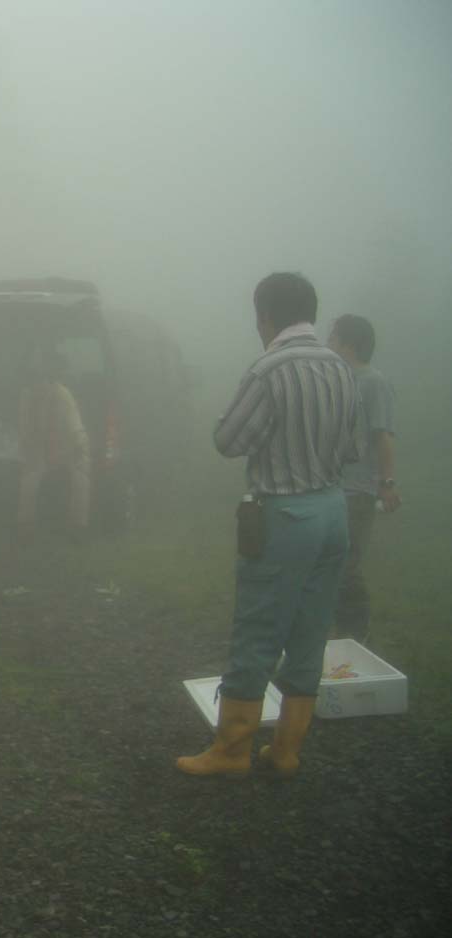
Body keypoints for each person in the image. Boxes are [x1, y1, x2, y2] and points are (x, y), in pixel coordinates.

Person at [177, 272, 357, 779]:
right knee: (310, 631)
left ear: (265, 315)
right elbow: (351, 448)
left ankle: (231, 751)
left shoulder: (268, 370)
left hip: (286, 514)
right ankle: (286, 750)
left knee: (258, 631)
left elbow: (229, 440)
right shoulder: (341, 368)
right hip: (333, 512)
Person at [328, 314, 400, 644]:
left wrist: (386, 484)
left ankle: (355, 632)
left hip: (357, 491)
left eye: (333, 338)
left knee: (346, 563)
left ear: (349, 343)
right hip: (330, 487)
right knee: (328, 559)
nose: (329, 343)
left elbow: (382, 435)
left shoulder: (373, 382)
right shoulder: (338, 379)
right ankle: (334, 630)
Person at [16, 349, 91, 541]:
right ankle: (26, 527)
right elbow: (24, 429)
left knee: (81, 477)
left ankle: (78, 527)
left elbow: (75, 425)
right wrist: (25, 449)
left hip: (67, 448)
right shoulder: (27, 397)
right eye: (33, 380)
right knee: (28, 483)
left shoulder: (63, 395)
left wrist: (79, 445)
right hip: (38, 451)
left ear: (48, 379)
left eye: (40, 379)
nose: (37, 385)